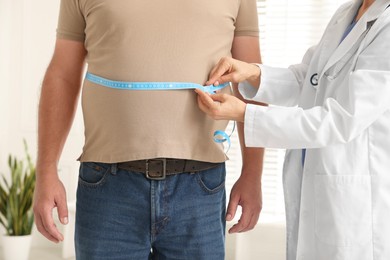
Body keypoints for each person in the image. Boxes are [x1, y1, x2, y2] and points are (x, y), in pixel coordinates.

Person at [33, 0, 263, 259]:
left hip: (199, 187)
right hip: (108, 185)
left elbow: (252, 81)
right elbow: (62, 74)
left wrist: (253, 174)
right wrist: (46, 171)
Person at [195, 0, 390, 259]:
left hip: (356, 206)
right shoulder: (348, 12)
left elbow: (340, 119)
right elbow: (311, 79)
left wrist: (245, 113)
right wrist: (253, 73)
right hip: (320, 191)